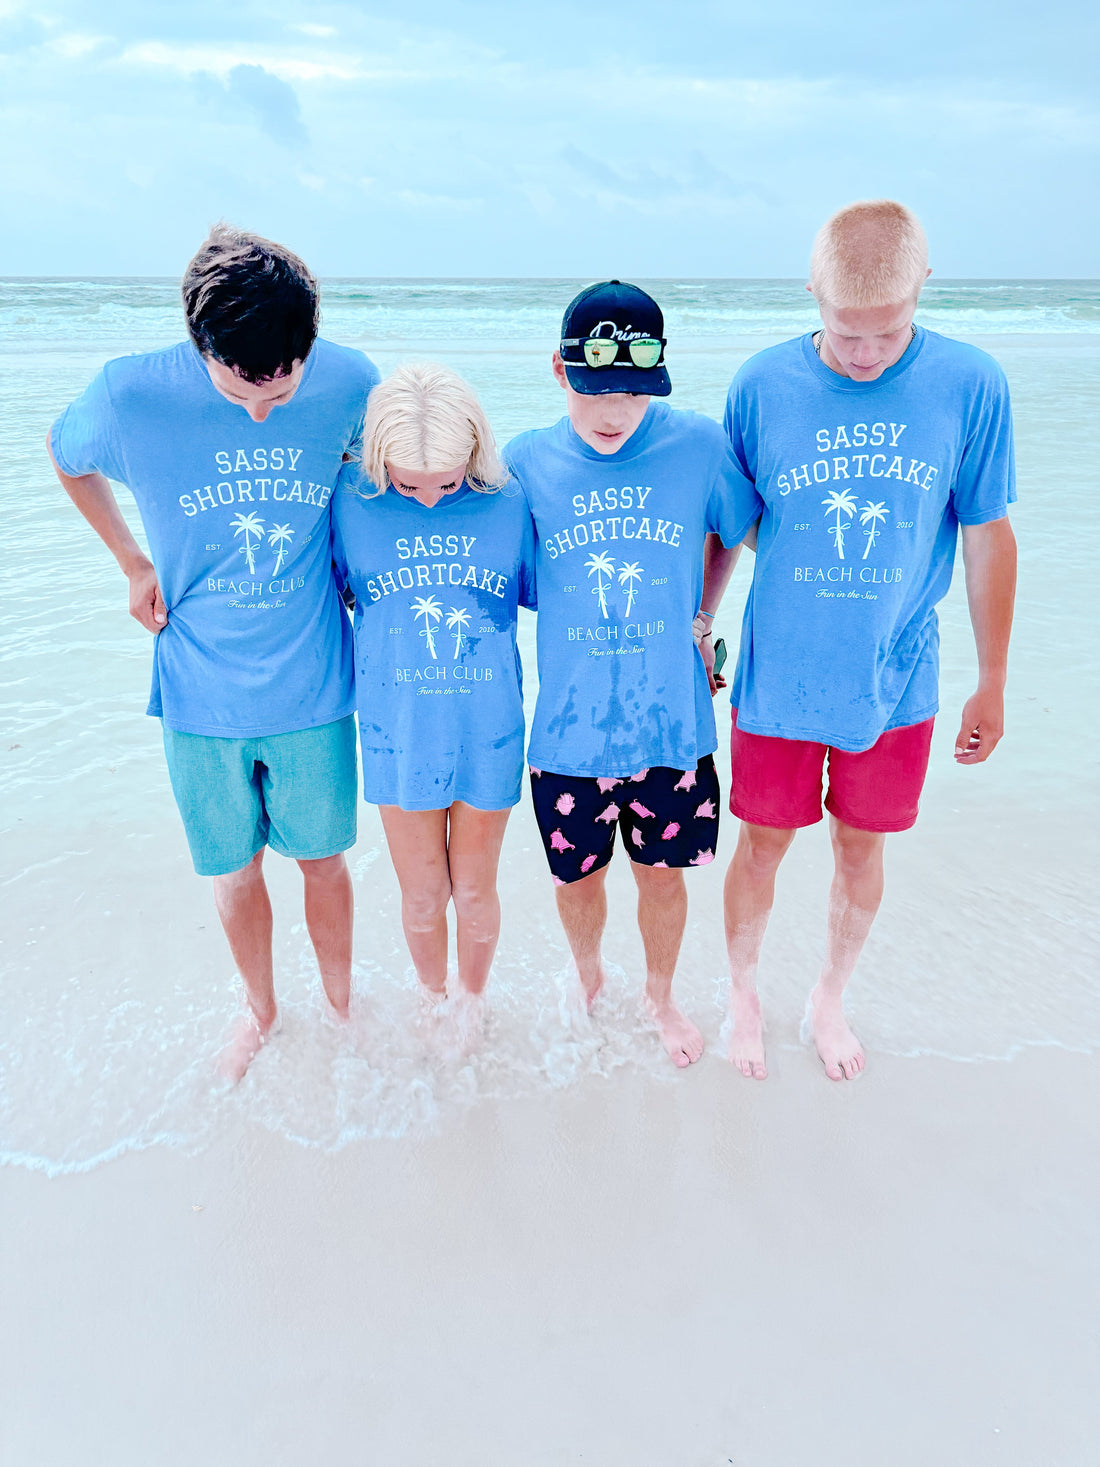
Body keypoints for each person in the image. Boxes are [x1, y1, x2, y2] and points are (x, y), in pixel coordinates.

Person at [47, 225, 380, 1080]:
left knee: (323, 860)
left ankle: (342, 1007)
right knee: (232, 873)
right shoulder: (130, 396)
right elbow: (66, 454)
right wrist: (131, 563)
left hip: (314, 685)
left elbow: (371, 489)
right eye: (242, 393)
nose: (266, 410)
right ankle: (261, 1011)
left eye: (283, 388)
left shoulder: (351, 382)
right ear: (201, 349)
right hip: (198, 693)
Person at [706, 199, 1017, 1081]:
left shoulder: (971, 383)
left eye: (888, 332)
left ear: (923, 287)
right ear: (812, 290)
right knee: (762, 843)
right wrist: (701, 626)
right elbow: (731, 525)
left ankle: (829, 996)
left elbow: (989, 532)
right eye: (846, 332)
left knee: (860, 844)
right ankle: (743, 990)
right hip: (780, 678)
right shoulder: (761, 385)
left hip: (899, 676)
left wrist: (994, 679)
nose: (866, 353)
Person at [505, 281, 760, 1067]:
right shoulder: (523, 464)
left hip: (672, 729)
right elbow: (498, 582)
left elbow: (740, 529)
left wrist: (706, 611)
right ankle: (587, 978)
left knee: (661, 878)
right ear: (558, 371)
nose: (613, 412)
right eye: (595, 391)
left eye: (632, 393)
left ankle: (660, 995)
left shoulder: (699, 446)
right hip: (568, 736)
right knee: (577, 882)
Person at [331, 364, 536, 1008]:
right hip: (398, 732)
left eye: (445, 483)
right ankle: (432, 998)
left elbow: (565, 598)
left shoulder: (511, 501)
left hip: (490, 729)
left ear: (474, 452)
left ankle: (470, 1007)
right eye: (407, 483)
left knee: (474, 893)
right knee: (421, 897)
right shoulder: (349, 500)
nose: (425, 499)